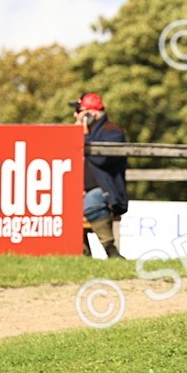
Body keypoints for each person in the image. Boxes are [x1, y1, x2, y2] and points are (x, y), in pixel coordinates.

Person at [71, 92, 128, 257]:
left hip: (108, 191)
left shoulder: (113, 131)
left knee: (92, 200)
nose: (76, 115)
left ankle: (111, 250)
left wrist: (83, 134)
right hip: (80, 190)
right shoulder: (83, 131)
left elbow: (102, 159)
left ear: (91, 114)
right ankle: (82, 253)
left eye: (79, 110)